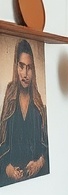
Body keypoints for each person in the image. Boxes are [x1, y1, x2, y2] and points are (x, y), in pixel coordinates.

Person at [0, 37, 49, 186]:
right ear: (16, 67)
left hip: (37, 180)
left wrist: (39, 163)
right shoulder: (9, 98)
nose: (25, 73)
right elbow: (2, 141)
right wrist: (8, 169)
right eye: (21, 66)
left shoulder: (38, 103)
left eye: (29, 67)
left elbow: (46, 146)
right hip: (10, 183)